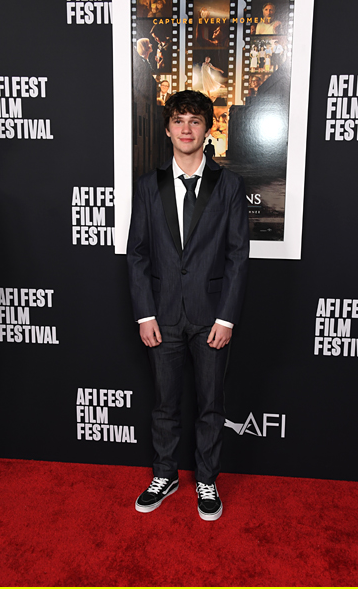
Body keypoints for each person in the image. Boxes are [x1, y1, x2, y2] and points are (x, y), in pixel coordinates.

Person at [127, 91, 249, 521]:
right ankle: (165, 474)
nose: (185, 128)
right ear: (167, 129)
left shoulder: (229, 185)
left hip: (212, 315)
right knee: (164, 402)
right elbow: (138, 254)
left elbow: (237, 255)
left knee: (210, 404)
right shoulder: (148, 185)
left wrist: (227, 316)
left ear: (208, 128)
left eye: (195, 121)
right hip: (161, 316)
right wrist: (145, 313)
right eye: (178, 120)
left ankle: (206, 480)